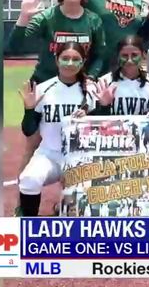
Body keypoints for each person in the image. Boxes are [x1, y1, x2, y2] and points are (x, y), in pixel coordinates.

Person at [15, 42, 93, 216]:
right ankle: (29, 226)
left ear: (83, 62)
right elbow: (29, 131)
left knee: (76, 208)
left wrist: (99, 108)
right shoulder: (43, 89)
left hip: (82, 157)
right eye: (65, 58)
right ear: (56, 60)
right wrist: (29, 110)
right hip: (49, 154)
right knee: (29, 179)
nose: (70, 63)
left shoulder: (91, 91)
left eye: (75, 59)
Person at [7, 0, 105, 83]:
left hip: (79, 85)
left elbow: (99, 55)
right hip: (45, 82)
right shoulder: (46, 17)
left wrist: (91, 77)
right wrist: (23, 17)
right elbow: (14, 47)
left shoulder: (94, 20)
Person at [92, 35, 149, 116]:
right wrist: (104, 105)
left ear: (144, 55)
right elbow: (96, 121)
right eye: (124, 55)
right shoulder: (105, 83)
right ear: (118, 56)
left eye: (134, 55)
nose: (129, 60)